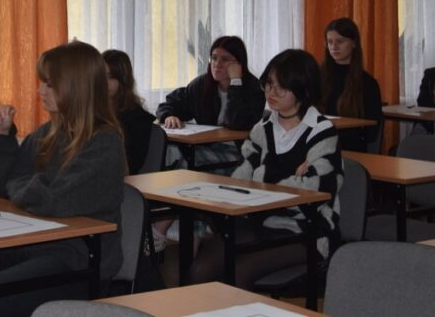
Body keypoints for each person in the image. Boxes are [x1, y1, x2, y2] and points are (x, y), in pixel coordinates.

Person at [0, 41, 125, 317]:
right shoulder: (47, 133)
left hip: (78, 256)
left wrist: (20, 185)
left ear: (75, 88)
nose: (40, 90)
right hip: (28, 241)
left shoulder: (104, 143)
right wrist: (2, 137)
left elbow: (53, 200)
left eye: (49, 84)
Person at [192, 49, 343, 289]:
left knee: (239, 274)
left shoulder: (321, 132)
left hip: (307, 230)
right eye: (269, 84)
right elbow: (240, 180)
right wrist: (290, 176)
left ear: (304, 91)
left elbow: (313, 192)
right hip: (260, 221)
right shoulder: (262, 128)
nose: (271, 93)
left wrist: (263, 177)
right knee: (200, 270)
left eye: (281, 87)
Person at [156, 35, 265, 169]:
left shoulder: (254, 89)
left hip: (240, 152)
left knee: (185, 165)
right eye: (214, 58)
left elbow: (235, 122)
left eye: (225, 59)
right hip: (207, 146)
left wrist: (236, 81)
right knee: (166, 157)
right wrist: (169, 115)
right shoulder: (201, 85)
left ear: (239, 64)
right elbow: (169, 103)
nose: (217, 64)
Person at [319, 18, 383, 152]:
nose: (334, 47)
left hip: (349, 146)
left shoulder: (367, 82)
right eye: (330, 42)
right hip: (319, 141)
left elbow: (372, 129)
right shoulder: (318, 77)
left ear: (354, 43)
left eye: (340, 42)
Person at [103, 49, 155, 173]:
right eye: (100, 77)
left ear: (123, 80)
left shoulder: (139, 119)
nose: (103, 83)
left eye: (110, 77)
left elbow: (132, 163)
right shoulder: (94, 111)